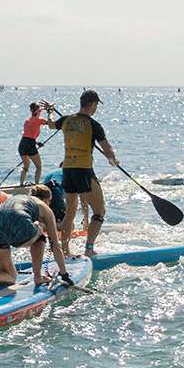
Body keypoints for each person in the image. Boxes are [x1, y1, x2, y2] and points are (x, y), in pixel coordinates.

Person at [50, 90, 118, 256]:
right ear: (93, 105)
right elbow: (107, 149)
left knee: (70, 212)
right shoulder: (94, 125)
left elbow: (51, 124)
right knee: (99, 211)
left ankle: (64, 251)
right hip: (84, 171)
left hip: (67, 169)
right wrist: (113, 160)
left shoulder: (65, 120)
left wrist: (51, 111)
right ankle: (89, 249)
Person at [0, 184, 71, 293]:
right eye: (50, 201)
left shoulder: (19, 198)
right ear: (47, 199)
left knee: (10, 275)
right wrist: (64, 274)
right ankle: (37, 276)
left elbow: (7, 215)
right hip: (19, 218)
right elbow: (55, 245)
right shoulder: (44, 208)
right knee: (40, 235)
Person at [17, 101, 51, 185]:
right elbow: (52, 124)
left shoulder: (27, 120)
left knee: (26, 166)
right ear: (36, 111)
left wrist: (36, 143)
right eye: (39, 110)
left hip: (22, 144)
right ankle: (37, 185)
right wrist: (50, 112)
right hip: (29, 144)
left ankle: (21, 184)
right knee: (39, 167)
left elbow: (28, 136)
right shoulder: (39, 120)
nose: (40, 111)